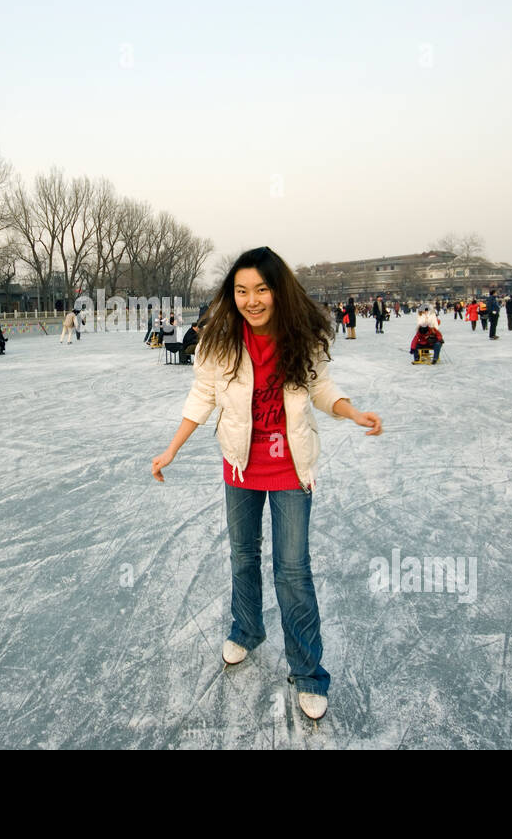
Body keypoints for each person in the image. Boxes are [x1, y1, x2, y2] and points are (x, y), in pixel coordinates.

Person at [151, 247, 382, 722]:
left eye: (261, 289)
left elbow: (320, 387)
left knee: (293, 569)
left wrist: (351, 410)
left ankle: (308, 672)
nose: (251, 300)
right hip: (240, 466)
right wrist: (172, 447)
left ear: (278, 290)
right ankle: (247, 629)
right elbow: (203, 395)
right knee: (244, 556)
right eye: (241, 291)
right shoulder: (220, 340)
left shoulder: (300, 336)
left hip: (292, 469)